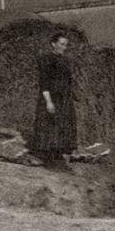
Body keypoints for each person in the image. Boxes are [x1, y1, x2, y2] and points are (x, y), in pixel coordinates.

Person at [32, 32, 77, 171]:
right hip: (51, 98)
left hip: (64, 99)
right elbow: (44, 82)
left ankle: (59, 156)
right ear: (53, 44)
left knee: (63, 126)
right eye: (62, 44)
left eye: (66, 45)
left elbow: (68, 81)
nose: (64, 47)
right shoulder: (46, 59)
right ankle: (47, 158)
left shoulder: (66, 61)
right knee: (49, 126)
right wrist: (49, 102)